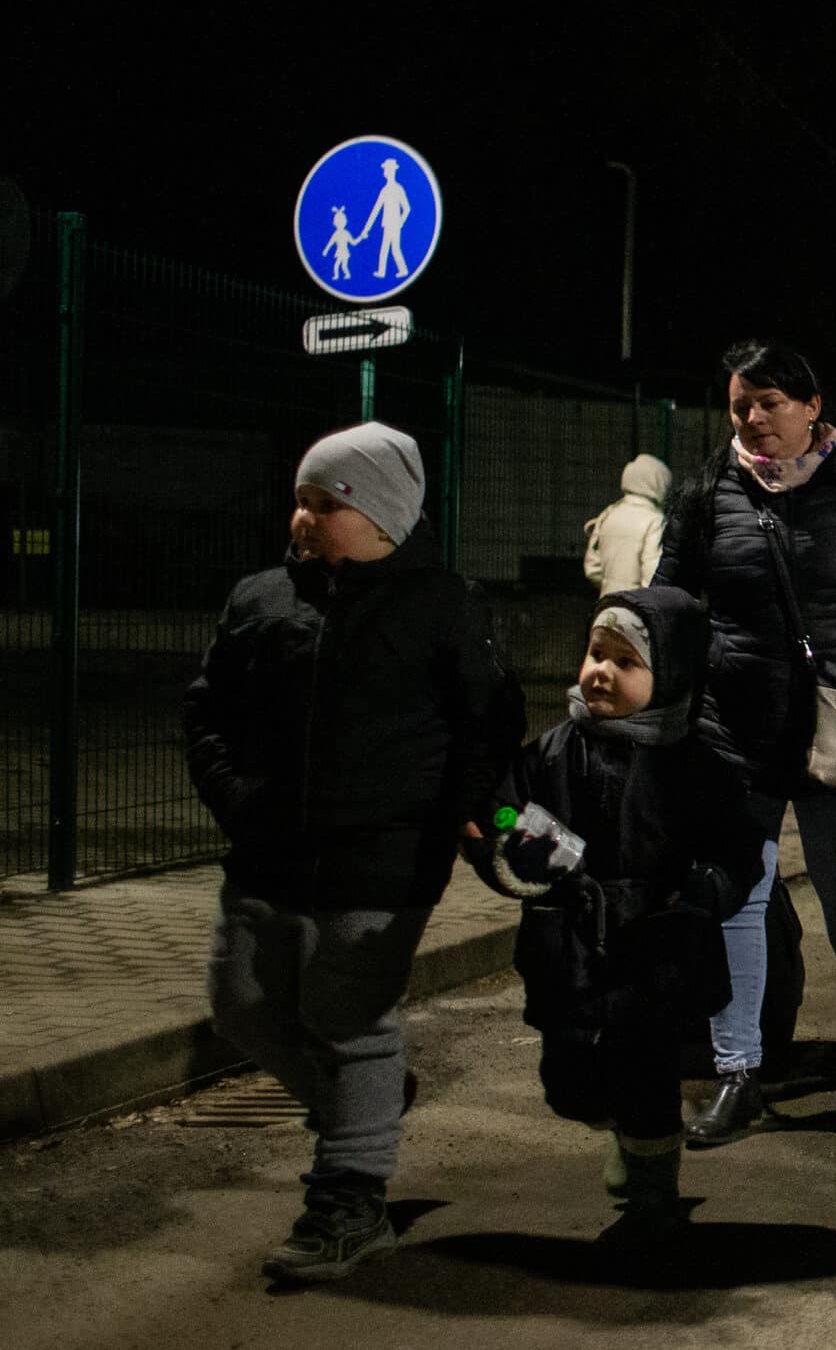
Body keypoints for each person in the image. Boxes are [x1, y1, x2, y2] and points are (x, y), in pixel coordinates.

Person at [185, 421, 523, 1285]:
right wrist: (236, 798)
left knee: (350, 1018)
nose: (301, 516)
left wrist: (474, 810)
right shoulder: (260, 599)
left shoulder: (442, 604)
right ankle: (365, 1109)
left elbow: (487, 724)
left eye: (322, 502)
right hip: (266, 851)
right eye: (299, 499)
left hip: (386, 855)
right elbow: (207, 714)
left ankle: (350, 1199)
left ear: (377, 514)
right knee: (243, 1003)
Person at [652, 340, 836, 1145]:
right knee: (738, 887)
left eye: (770, 402)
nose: (752, 418)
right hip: (732, 723)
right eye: (741, 404)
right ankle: (738, 1069)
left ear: (812, 407)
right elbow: (671, 601)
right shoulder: (708, 490)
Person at [474, 587, 765, 1250]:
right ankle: (626, 1136)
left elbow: (737, 845)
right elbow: (502, 811)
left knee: (645, 1075)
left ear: (671, 677)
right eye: (594, 652)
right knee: (567, 1082)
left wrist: (710, 886)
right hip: (571, 945)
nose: (599, 670)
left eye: (624, 661)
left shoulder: (695, 766)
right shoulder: (553, 751)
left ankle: (651, 1194)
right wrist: (510, 836)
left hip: (654, 948)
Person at [583, 453, 673, 594]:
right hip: (636, 608)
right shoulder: (655, 520)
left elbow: (592, 568)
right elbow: (651, 574)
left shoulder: (608, 513)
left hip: (607, 604)